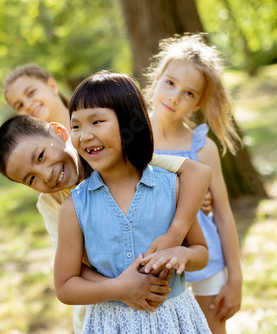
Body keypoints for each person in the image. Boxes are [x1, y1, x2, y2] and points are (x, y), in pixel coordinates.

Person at [0, 114, 213, 332]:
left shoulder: (116, 156)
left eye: (40, 156)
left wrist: (174, 234)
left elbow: (197, 173)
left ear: (59, 133)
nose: (46, 174)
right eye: (31, 179)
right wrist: (122, 288)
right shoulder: (54, 204)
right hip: (105, 306)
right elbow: (73, 269)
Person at [54, 71, 212, 333]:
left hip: (175, 321)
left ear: (129, 122)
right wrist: (120, 288)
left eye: (97, 121)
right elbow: (65, 286)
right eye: (76, 125)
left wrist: (182, 253)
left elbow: (201, 253)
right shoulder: (74, 207)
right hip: (111, 324)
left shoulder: (171, 187)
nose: (84, 135)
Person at [145, 33, 243, 333]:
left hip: (205, 258)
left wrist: (235, 279)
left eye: (189, 93)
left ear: (199, 101)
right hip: (151, 259)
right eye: (171, 83)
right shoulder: (131, 138)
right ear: (157, 77)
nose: (174, 97)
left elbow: (223, 215)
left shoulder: (203, 148)